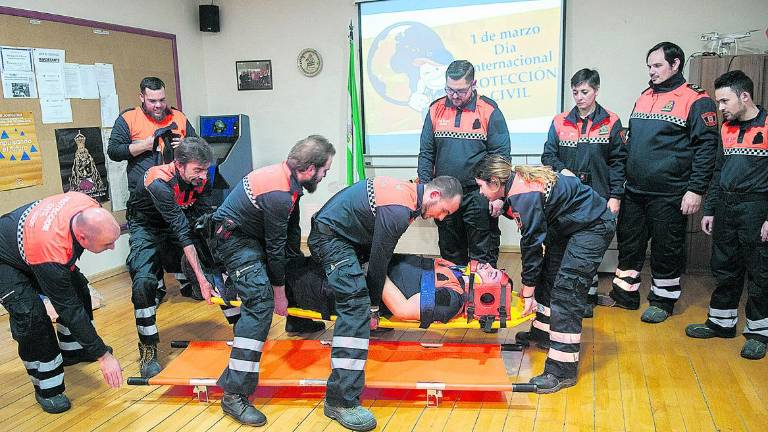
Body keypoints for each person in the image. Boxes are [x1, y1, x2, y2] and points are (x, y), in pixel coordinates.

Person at [309, 175, 461, 431]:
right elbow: (379, 262)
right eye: (444, 210)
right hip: (332, 240)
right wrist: (373, 308)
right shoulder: (399, 210)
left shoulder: (409, 194)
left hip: (346, 237)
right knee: (356, 308)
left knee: (364, 293)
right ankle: (340, 401)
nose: (442, 218)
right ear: (434, 196)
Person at [207, 135, 335, 426]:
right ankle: (234, 395)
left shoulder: (290, 182)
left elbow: (288, 240)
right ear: (309, 168)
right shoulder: (278, 192)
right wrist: (279, 294)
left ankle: (296, 320)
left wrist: (296, 267)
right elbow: (275, 248)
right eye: (325, 169)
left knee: (293, 264)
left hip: (252, 238)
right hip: (234, 243)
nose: (326, 174)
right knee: (261, 304)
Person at [474, 155, 615, 393]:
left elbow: (531, 248)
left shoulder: (523, 194)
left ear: (496, 182)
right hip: (568, 225)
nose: (480, 192)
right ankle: (543, 333)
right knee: (550, 275)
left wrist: (527, 293)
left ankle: (562, 369)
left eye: (481, 186)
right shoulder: (515, 186)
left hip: (593, 226)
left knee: (567, 291)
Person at [607, 42, 718, 323]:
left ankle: (663, 301)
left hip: (670, 193)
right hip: (634, 191)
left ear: (676, 64)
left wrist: (695, 190)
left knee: (666, 250)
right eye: (649, 66)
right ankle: (625, 295)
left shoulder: (696, 99)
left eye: (657, 66)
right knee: (630, 245)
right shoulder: (644, 96)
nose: (652, 71)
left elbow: (707, 148)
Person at [0, 192, 123, 413]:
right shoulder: (51, 251)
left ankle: (73, 351)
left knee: (79, 289)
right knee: (32, 317)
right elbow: (69, 310)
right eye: (108, 244)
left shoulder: (87, 204)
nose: (113, 247)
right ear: (83, 238)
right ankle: (47, 388)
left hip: (32, 247)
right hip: (5, 260)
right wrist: (103, 355)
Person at [686, 70, 768, 360]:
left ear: (744, 96)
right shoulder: (726, 128)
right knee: (724, 266)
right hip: (726, 206)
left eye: (724, 101)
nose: (720, 108)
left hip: (757, 208)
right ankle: (721, 323)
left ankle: (759, 333)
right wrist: (710, 209)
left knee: (759, 271)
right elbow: (718, 170)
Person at [126, 137, 215, 379]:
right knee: (144, 282)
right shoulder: (159, 180)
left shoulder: (201, 179)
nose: (203, 177)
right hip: (147, 226)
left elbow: (203, 218)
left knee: (215, 268)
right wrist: (200, 277)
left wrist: (210, 267)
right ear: (178, 164)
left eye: (206, 170)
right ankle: (148, 348)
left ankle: (242, 332)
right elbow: (180, 230)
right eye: (197, 170)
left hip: (179, 223)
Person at [541, 68, 626, 317]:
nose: (579, 97)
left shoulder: (611, 121)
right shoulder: (559, 121)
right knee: (566, 247)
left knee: (588, 248)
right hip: (566, 198)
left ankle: (587, 297)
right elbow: (548, 155)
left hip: (598, 195)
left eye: (585, 92)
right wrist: (562, 170)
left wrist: (616, 196)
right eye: (575, 92)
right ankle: (571, 297)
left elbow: (619, 162)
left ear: (596, 91)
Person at [107, 76, 199, 303]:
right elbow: (114, 151)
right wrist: (145, 145)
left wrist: (186, 146)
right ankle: (155, 289)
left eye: (161, 100)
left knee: (179, 239)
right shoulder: (129, 118)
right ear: (142, 98)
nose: (158, 105)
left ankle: (188, 282)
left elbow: (200, 148)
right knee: (148, 247)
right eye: (152, 101)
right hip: (144, 199)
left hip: (176, 195)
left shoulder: (178, 116)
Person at [418, 59, 510, 267]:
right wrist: (425, 190)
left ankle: (479, 298)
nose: (454, 96)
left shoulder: (488, 110)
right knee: (450, 253)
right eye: (450, 90)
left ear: (473, 84)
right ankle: (455, 297)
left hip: (478, 195)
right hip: (444, 194)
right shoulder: (435, 109)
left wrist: (498, 196)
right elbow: (426, 153)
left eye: (460, 91)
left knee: (482, 254)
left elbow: (501, 157)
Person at [281, 254, 509, 326]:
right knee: (285, 266)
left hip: (337, 288)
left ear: (486, 291)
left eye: (492, 274)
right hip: (347, 270)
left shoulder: (450, 299)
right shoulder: (455, 275)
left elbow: (401, 309)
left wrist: (374, 270)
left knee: (275, 285)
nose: (488, 267)